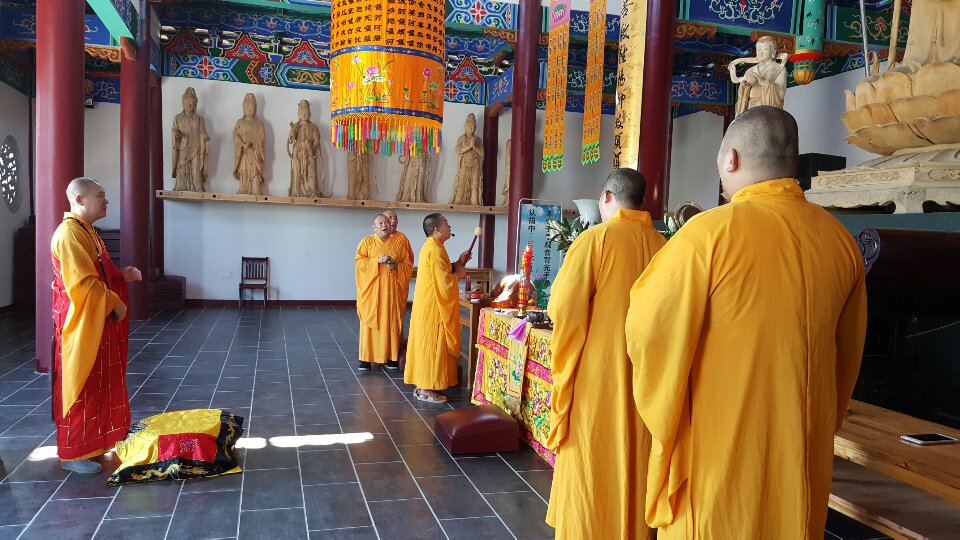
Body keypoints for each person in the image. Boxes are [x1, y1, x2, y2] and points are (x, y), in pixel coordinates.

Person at [625, 106, 867, 537]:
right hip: (801, 453)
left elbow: (648, 330)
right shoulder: (840, 241)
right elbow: (846, 357)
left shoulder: (709, 234)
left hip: (722, 454)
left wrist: (669, 409)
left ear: (730, 159)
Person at [545, 168, 665, 540]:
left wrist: (565, 360)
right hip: (650, 379)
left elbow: (564, 309)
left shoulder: (596, 239)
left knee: (593, 461)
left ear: (607, 197)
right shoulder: (666, 246)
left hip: (598, 376)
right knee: (639, 456)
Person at [52, 177, 142, 473]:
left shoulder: (87, 231)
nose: (106, 201)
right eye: (100, 195)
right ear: (79, 200)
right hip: (80, 323)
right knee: (82, 382)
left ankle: (95, 444)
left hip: (96, 320)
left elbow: (100, 272)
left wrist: (122, 276)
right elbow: (83, 284)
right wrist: (114, 301)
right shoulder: (69, 234)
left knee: (101, 381)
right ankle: (73, 453)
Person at [404, 213, 471, 402]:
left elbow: (442, 271)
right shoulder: (433, 249)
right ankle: (427, 389)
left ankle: (423, 385)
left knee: (429, 344)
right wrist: (458, 274)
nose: (449, 226)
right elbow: (443, 281)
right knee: (432, 345)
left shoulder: (436, 248)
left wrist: (458, 263)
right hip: (434, 307)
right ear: (437, 229)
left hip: (430, 304)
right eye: (446, 223)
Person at [355, 214, 413, 371]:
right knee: (370, 322)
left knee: (391, 321)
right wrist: (376, 261)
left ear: (392, 225)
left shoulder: (399, 243)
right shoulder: (367, 242)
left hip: (392, 292)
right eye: (380, 223)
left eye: (386, 222)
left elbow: (408, 264)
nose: (384, 225)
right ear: (374, 227)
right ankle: (366, 358)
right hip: (373, 292)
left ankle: (390, 357)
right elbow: (359, 263)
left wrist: (396, 266)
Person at [728, 36, 789, 116]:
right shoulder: (750, 70)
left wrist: (762, 82)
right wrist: (745, 85)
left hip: (765, 106)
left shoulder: (779, 68)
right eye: (758, 49)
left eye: (765, 49)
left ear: (773, 51)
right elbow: (743, 91)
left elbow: (780, 92)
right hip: (750, 106)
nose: (761, 52)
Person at [171, 87, 209, 192]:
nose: (189, 106)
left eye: (191, 104)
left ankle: (197, 188)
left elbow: (203, 132)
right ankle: (181, 187)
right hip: (183, 146)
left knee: (196, 169)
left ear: (195, 105)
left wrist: (205, 137)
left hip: (196, 147)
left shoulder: (199, 119)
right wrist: (176, 133)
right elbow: (174, 129)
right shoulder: (178, 118)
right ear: (183, 103)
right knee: (182, 168)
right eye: (186, 103)